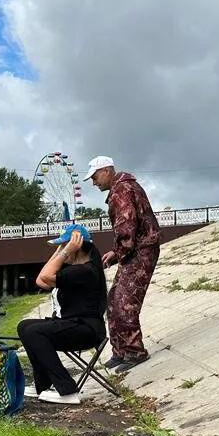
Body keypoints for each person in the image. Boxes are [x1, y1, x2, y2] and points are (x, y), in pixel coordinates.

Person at [83, 155, 161, 374]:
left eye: (95, 176)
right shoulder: (124, 188)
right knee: (113, 300)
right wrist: (116, 254)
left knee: (125, 302)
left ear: (107, 170)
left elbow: (127, 228)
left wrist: (120, 252)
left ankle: (135, 352)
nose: (93, 181)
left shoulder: (121, 191)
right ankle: (121, 351)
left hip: (140, 252)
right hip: (136, 251)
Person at [16, 223, 108, 405]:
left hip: (86, 330)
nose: (62, 251)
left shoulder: (86, 271)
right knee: (24, 326)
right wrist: (61, 251)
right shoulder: (75, 269)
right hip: (73, 325)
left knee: (35, 332)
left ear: (77, 246)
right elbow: (41, 281)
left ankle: (67, 390)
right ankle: (43, 385)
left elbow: (46, 276)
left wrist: (64, 252)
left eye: (65, 246)